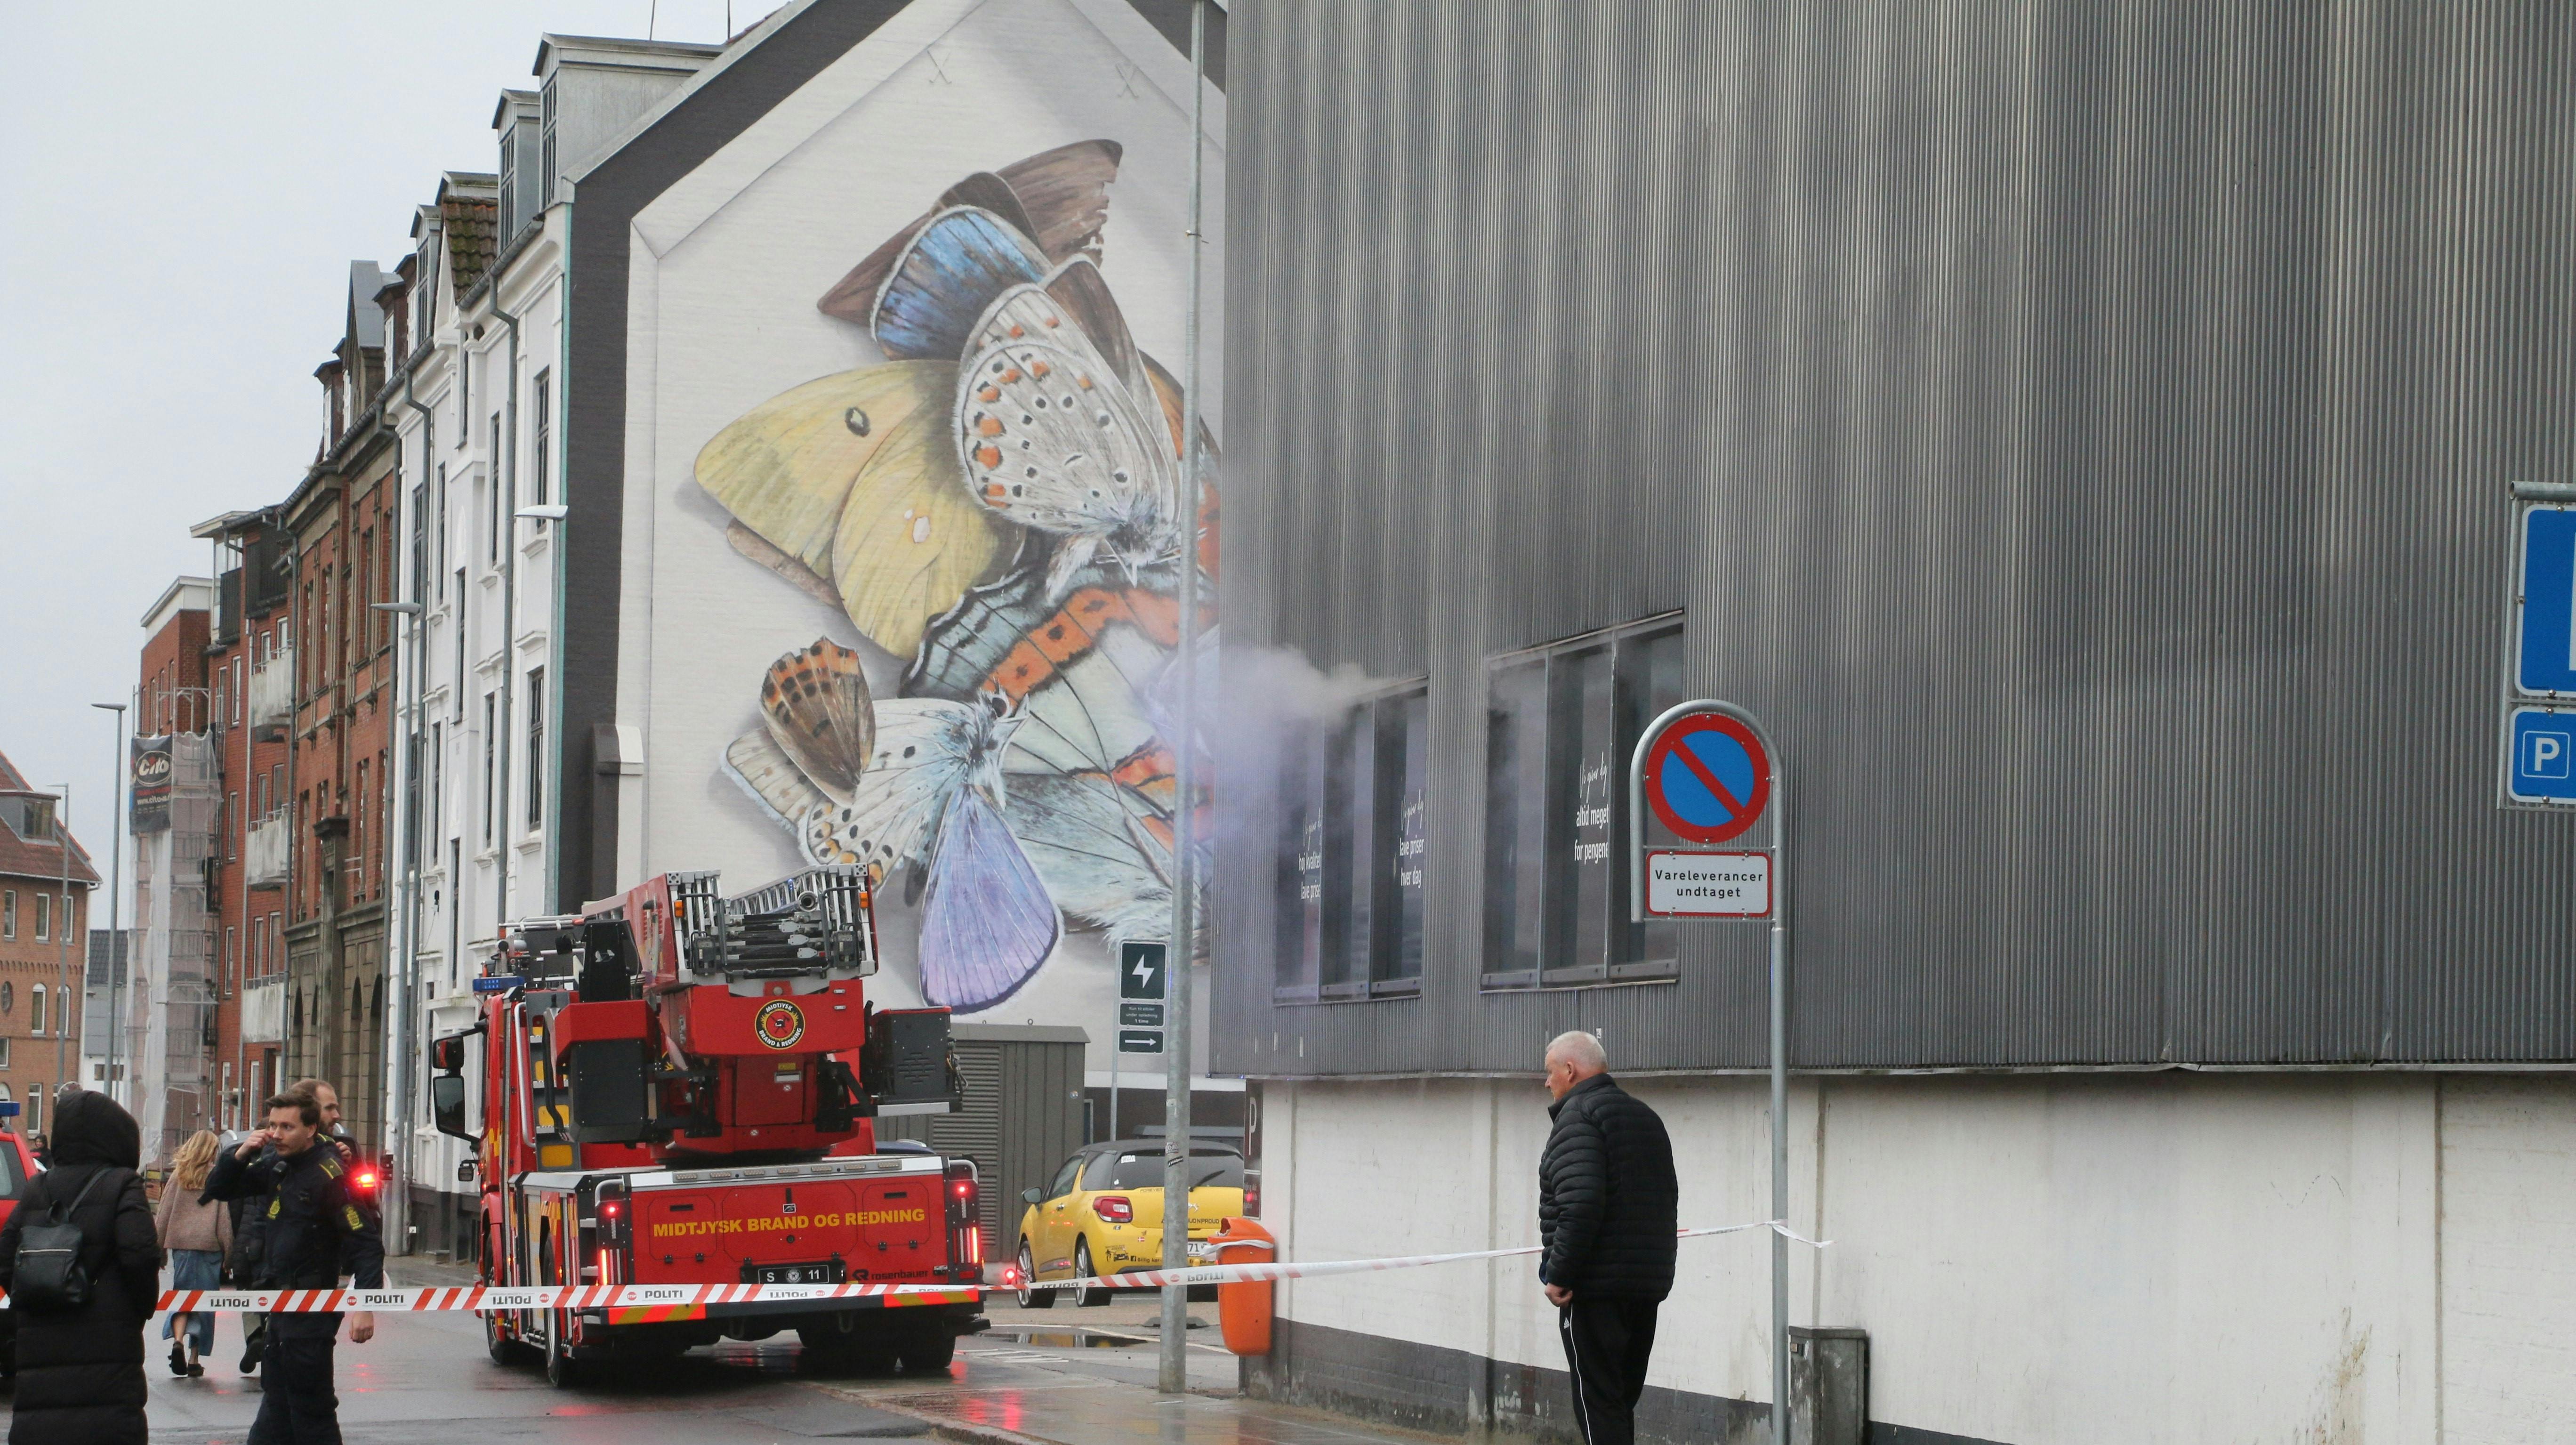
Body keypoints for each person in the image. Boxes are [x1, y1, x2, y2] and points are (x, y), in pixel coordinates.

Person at [1538, 1031, 1678, 1445]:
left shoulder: (1577, 1117)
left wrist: (1559, 1275)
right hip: (1645, 1288)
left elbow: (1580, 1205)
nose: (1547, 1083)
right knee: (1619, 1402)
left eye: (1549, 1072)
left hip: (1596, 1290)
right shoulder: (1646, 1118)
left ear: (1570, 1069)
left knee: (1598, 1405)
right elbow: (1666, 1198)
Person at [0, 1090, 161, 1444]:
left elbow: (6, 1254)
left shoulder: (36, 1187)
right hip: (107, 1343)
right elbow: (141, 1252)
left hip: (41, 1339)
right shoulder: (122, 1184)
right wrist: (137, 1307)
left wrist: (36, 1294)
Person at [155, 1129, 233, 1377]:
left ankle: (178, 1340)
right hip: (209, 1248)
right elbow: (224, 1221)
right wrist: (229, 1255)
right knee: (205, 1303)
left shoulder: (179, 1176)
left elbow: (164, 1214)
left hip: (182, 1247)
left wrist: (159, 1250)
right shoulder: (216, 1179)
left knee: (183, 1297)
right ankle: (194, 1358)